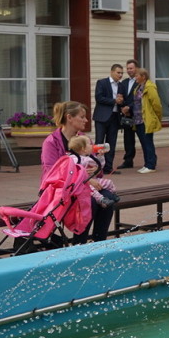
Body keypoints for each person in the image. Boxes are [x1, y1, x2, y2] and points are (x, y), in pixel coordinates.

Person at [42, 100, 114, 243]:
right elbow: (52, 174)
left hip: (86, 187)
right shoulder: (51, 142)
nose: (86, 120)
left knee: (108, 198)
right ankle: (80, 243)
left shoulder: (84, 139)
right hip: (62, 191)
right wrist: (85, 179)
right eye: (82, 117)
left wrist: (96, 169)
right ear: (69, 117)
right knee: (89, 202)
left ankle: (100, 242)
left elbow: (96, 169)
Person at [92, 63, 126, 174]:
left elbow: (122, 101)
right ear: (112, 72)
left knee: (111, 143)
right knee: (99, 142)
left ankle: (108, 167)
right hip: (102, 117)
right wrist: (114, 101)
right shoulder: (102, 82)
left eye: (122, 73)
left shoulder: (121, 86)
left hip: (115, 117)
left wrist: (121, 102)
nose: (120, 75)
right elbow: (99, 98)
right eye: (118, 72)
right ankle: (97, 167)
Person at [69, 134, 119, 207]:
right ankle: (102, 200)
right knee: (91, 190)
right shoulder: (74, 159)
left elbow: (100, 166)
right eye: (89, 144)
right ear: (83, 149)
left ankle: (113, 193)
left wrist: (100, 156)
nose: (92, 145)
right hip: (83, 183)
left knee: (109, 182)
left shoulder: (89, 157)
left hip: (94, 180)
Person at [129, 67, 162, 173]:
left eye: (137, 75)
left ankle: (151, 165)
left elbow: (156, 103)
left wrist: (157, 117)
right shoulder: (138, 87)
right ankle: (147, 163)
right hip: (138, 120)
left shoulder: (149, 87)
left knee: (148, 142)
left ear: (143, 77)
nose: (135, 77)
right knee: (144, 143)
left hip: (146, 120)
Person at [118, 59, 139, 170]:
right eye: (128, 68)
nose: (129, 70)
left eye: (131, 68)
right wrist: (122, 107)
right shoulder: (124, 82)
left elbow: (139, 99)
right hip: (127, 116)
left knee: (143, 139)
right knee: (128, 139)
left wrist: (129, 107)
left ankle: (150, 162)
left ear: (136, 69)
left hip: (138, 114)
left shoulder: (140, 82)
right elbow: (121, 96)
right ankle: (128, 160)